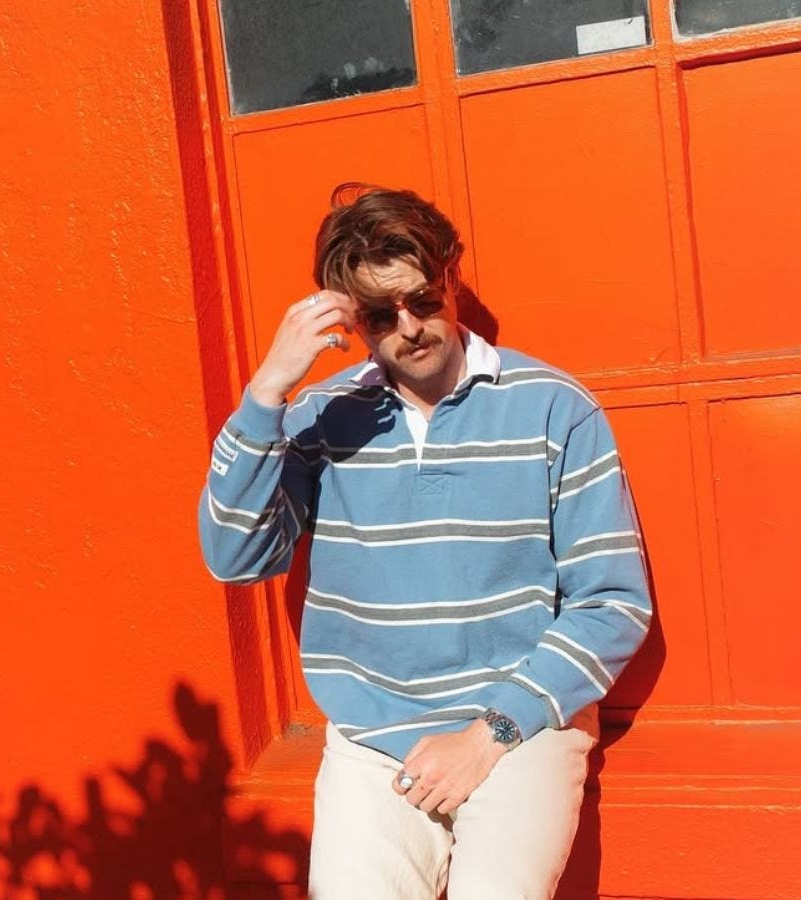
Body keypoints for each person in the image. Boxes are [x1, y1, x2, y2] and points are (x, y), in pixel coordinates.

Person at [196, 183, 653, 899]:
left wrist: (489, 734)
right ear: (352, 320)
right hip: (374, 736)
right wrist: (266, 394)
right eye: (380, 314)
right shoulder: (321, 417)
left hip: (518, 725)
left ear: (451, 279)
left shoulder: (554, 407)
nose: (408, 327)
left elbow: (613, 602)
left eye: (422, 299)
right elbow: (234, 555)